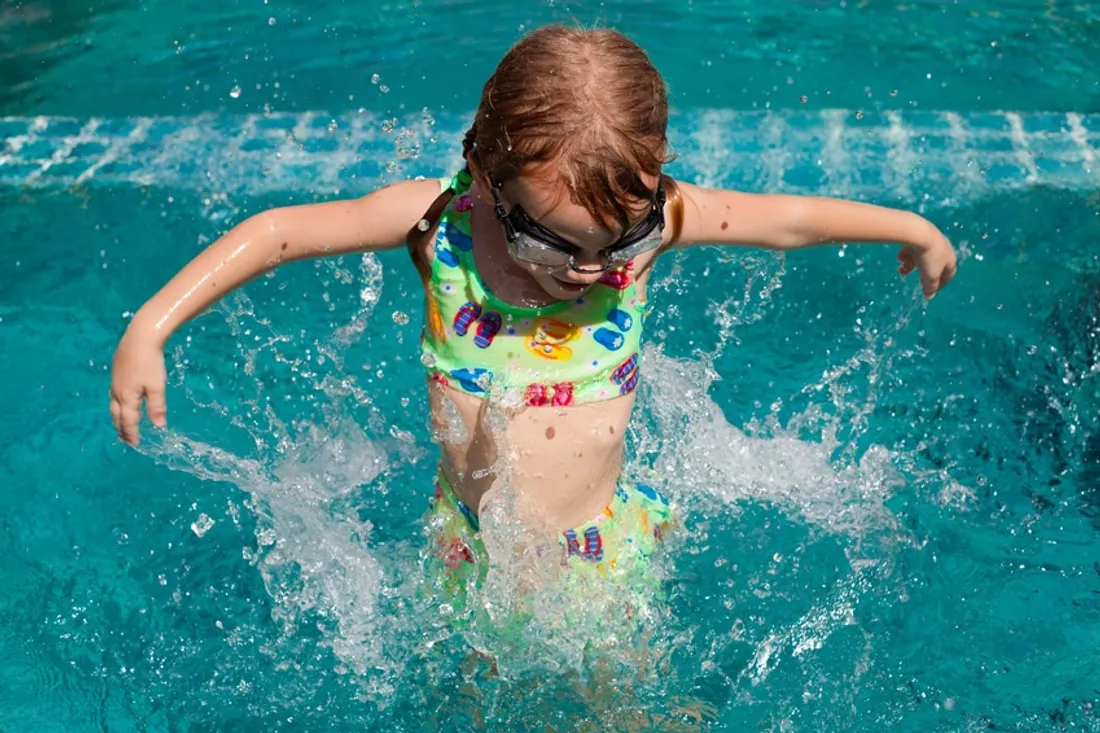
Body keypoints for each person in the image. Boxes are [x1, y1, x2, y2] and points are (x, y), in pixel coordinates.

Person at [109, 25, 957, 621]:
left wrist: (910, 227)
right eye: (556, 241)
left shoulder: (652, 224)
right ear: (486, 178)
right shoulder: (438, 224)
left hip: (602, 558)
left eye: (617, 239)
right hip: (466, 547)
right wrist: (151, 325)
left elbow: (788, 221)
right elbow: (279, 232)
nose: (593, 270)